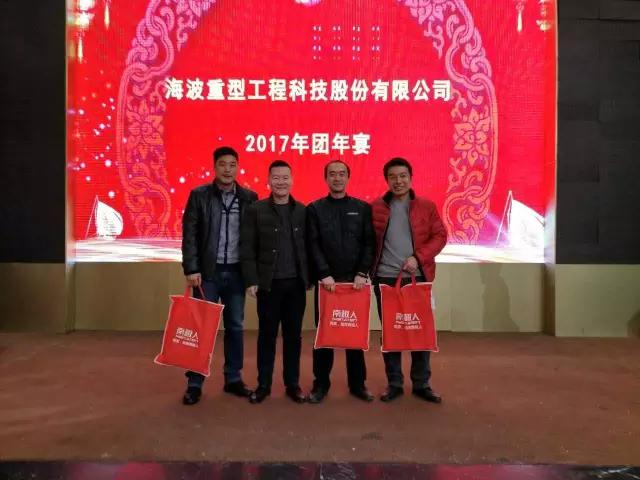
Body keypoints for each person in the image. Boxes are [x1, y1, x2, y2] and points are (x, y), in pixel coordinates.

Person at [181, 146, 258, 405]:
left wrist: (252, 275)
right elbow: (190, 234)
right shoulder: (199, 195)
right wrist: (191, 268)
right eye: (223, 164)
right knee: (201, 328)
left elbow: (253, 240)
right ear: (215, 167)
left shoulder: (249, 198)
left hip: (236, 273)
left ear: (238, 167)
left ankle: (233, 378)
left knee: (235, 327)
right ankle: (194, 383)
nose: (228, 169)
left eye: (232, 165)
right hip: (208, 274)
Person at [371, 157, 447, 403]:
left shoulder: (426, 206)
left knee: (419, 331)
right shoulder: (376, 207)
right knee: (391, 333)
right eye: (393, 177)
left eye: (402, 176)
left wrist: (418, 257)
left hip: (417, 278)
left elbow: (440, 236)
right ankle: (394, 383)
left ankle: (421, 383)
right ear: (386, 180)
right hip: (385, 279)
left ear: (411, 178)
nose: (398, 181)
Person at [306, 160, 376, 404]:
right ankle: (320, 384)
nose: (337, 178)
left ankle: (358, 384)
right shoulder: (315, 209)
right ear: (326, 178)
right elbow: (312, 244)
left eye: (342, 174)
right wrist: (323, 273)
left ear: (348, 177)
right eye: (332, 174)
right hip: (327, 284)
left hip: (355, 283)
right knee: (324, 335)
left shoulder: (362, 208)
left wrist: (362, 272)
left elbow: (369, 243)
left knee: (353, 334)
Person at [241, 160, 309, 404]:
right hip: (268, 285)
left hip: (296, 285)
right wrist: (251, 279)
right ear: (269, 181)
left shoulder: (302, 211)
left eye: (285, 177)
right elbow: (247, 247)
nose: (281, 182)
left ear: (292, 180)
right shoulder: (255, 210)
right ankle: (264, 385)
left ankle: (293, 384)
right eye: (276, 178)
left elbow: (309, 247)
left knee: (293, 337)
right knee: (267, 336)